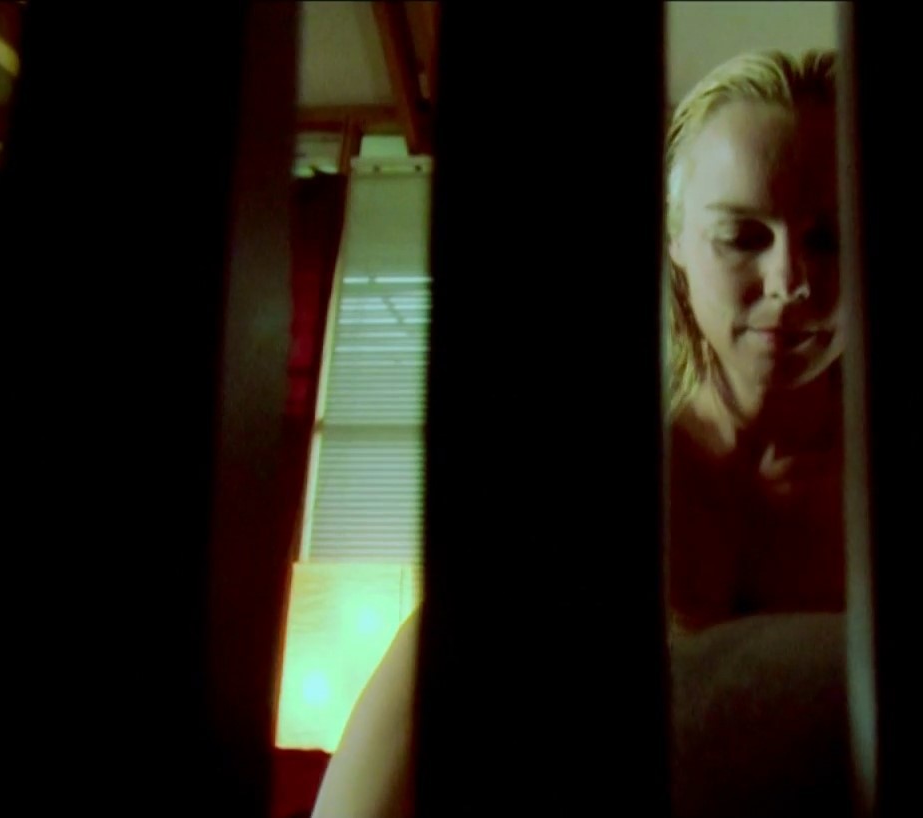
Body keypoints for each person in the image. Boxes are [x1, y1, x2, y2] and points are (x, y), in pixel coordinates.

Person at [313, 50, 852, 818]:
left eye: (829, 237)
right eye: (742, 235)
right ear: (675, 240)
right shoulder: (571, 486)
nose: (791, 281)